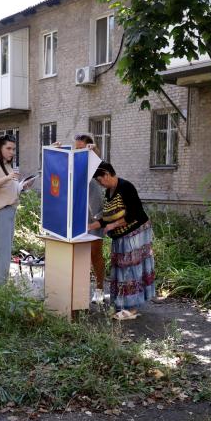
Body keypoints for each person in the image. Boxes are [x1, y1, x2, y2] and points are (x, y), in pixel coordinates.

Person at [87, 161, 155, 320]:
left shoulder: (126, 187)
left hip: (135, 233)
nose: (99, 184)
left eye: (99, 180)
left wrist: (113, 225)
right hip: (120, 236)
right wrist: (90, 226)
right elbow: (106, 217)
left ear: (107, 174)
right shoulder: (108, 192)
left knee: (131, 269)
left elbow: (134, 214)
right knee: (120, 269)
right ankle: (122, 304)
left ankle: (132, 309)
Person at [54, 134, 106, 302]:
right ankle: (78, 292)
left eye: (81, 148)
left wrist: (93, 149)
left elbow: (97, 158)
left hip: (94, 220)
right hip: (76, 218)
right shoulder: (73, 167)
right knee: (79, 256)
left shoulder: (96, 170)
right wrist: (55, 151)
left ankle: (99, 290)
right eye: (76, 148)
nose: (78, 151)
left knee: (95, 255)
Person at [0, 134, 28, 285]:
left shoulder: (6, 164)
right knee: (1, 255)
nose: (12, 152)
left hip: (8, 212)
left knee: (3, 254)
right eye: (8, 148)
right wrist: (7, 178)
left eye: (14, 149)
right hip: (0, 213)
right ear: (0, 148)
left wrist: (22, 187)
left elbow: (7, 189)